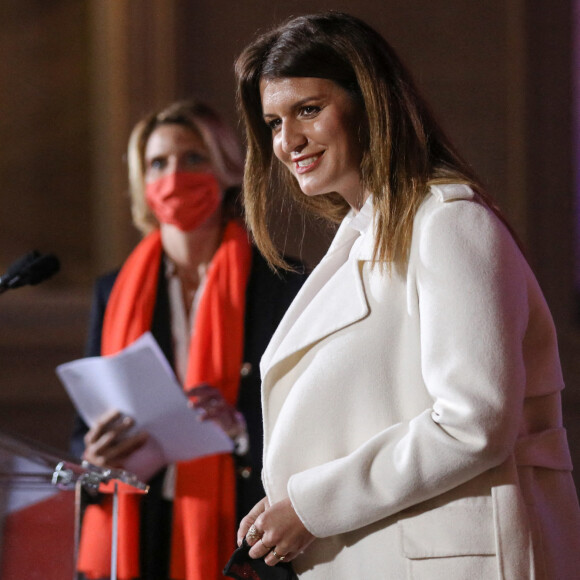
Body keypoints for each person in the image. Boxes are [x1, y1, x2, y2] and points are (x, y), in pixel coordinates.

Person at [233, 11, 580, 579]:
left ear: (370, 102)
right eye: (273, 122)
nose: (287, 140)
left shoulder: (449, 223)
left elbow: (476, 422)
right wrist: (287, 510)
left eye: (309, 110)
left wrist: (313, 506)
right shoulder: (361, 234)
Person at [70, 99, 306, 580]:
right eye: (158, 163)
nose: (174, 175)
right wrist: (92, 458)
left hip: (243, 526)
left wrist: (241, 431)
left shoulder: (282, 281)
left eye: (192, 158)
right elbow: (85, 427)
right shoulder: (113, 291)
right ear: (143, 182)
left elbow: (310, 418)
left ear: (226, 169)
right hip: (141, 519)